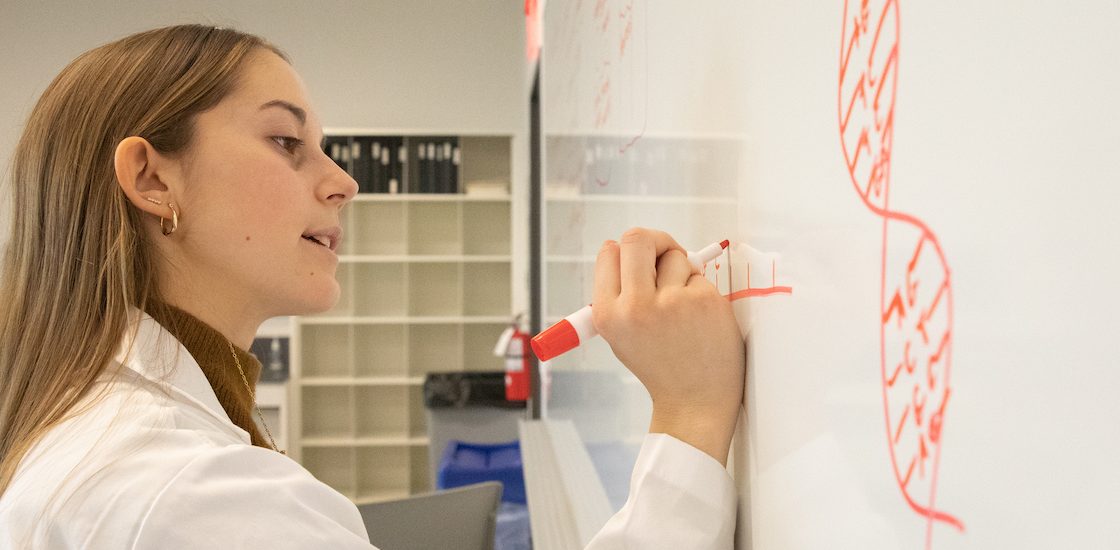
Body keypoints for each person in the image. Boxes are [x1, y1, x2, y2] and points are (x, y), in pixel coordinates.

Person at [0, 25, 744, 548]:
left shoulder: (109, 422)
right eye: (287, 143)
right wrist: (689, 412)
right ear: (153, 178)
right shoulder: (188, 494)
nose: (345, 182)